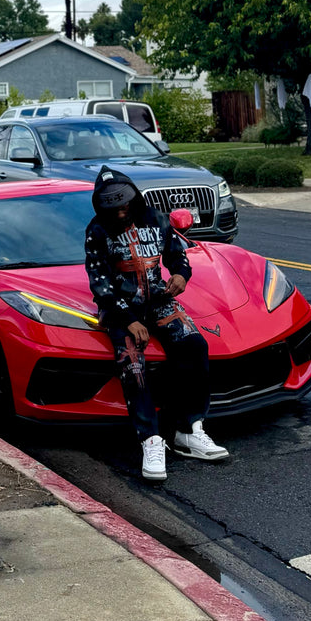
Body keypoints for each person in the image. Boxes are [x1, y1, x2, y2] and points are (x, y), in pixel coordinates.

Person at [84, 166, 229, 481]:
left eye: (125, 203)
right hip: (119, 309)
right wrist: (129, 320)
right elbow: (101, 285)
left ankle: (189, 429)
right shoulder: (97, 232)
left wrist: (180, 275)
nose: (121, 211)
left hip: (159, 301)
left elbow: (179, 257)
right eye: (113, 206)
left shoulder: (156, 219)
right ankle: (150, 439)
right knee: (132, 361)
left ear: (134, 197)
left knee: (194, 344)